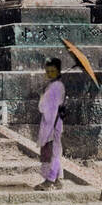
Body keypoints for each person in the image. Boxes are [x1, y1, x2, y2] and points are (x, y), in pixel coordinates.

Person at [35, 57, 65, 190]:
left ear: (58, 71)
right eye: (48, 71)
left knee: (51, 152)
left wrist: (43, 97)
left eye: (53, 71)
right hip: (50, 122)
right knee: (53, 151)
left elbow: (46, 107)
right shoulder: (53, 85)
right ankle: (57, 179)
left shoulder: (56, 86)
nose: (49, 73)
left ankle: (50, 180)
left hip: (52, 122)